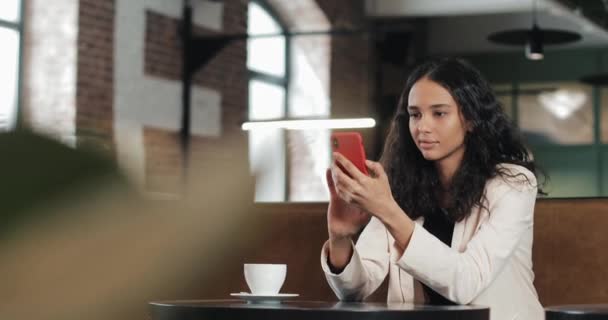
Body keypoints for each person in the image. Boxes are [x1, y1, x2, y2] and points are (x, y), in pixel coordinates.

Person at [320, 58, 545, 320]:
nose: (422, 127)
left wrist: (387, 210)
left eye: (439, 113)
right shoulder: (400, 184)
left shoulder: (513, 183)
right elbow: (355, 290)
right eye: (415, 114)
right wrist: (339, 237)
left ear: (471, 119)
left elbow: (466, 282)